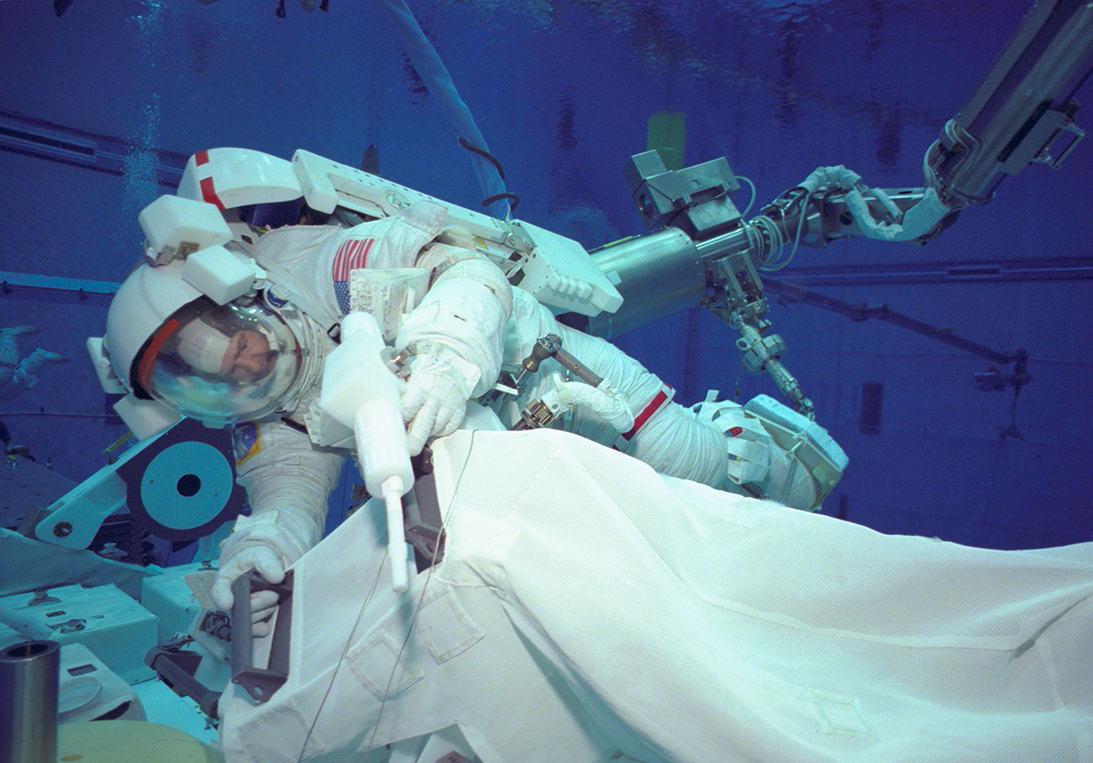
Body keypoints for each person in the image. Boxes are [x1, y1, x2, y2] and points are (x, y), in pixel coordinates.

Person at [100, 148, 847, 614]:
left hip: (547, 365)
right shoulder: (276, 418)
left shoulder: (318, 264)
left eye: (241, 348)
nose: (250, 372)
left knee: (699, 464)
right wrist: (265, 550)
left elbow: (459, 267)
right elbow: (291, 496)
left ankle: (778, 467)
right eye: (220, 384)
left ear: (237, 294)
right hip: (467, 442)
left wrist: (446, 357)